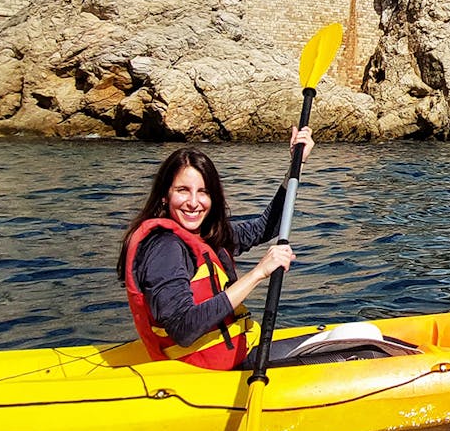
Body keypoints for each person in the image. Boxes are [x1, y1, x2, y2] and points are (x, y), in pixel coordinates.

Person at [115, 127, 314, 370]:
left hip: (237, 354)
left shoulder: (206, 235)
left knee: (361, 337)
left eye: (203, 192)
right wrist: (258, 274)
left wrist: (296, 165)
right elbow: (183, 328)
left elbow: (265, 228)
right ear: (165, 196)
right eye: (183, 191)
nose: (193, 202)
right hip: (204, 373)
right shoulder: (164, 248)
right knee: (362, 349)